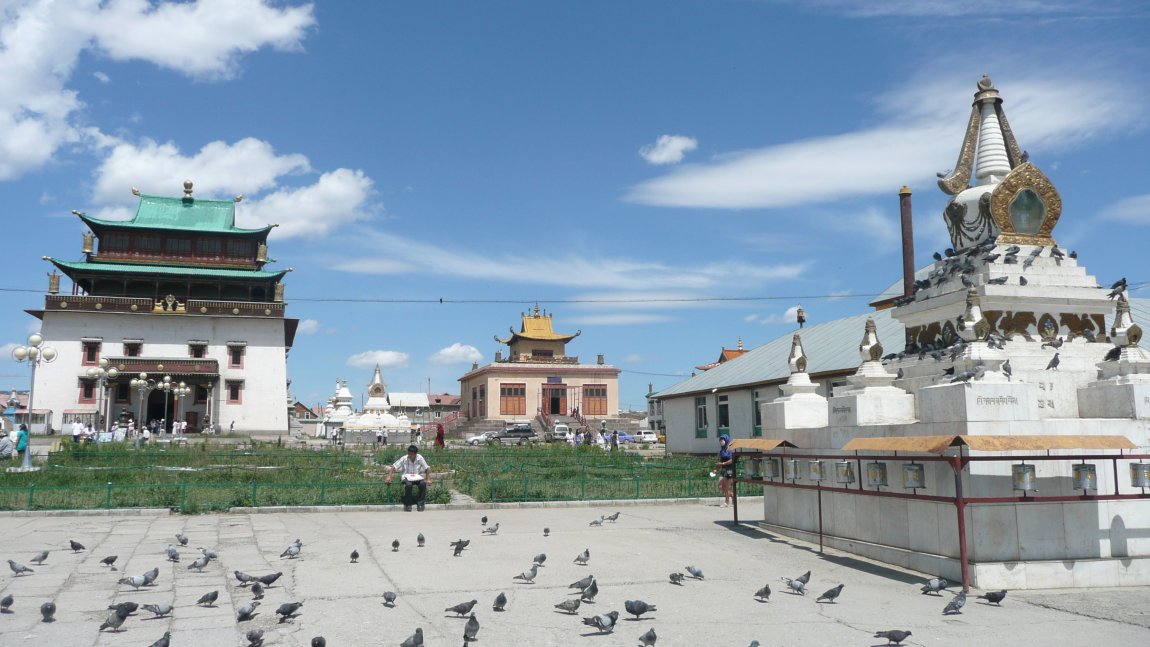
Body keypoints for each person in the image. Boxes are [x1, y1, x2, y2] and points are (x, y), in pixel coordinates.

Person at [386, 444, 431, 511]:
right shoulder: (404, 458)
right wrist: (389, 477)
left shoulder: (420, 458)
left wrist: (428, 479)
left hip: (416, 477)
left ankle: (420, 503)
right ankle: (408, 504)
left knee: (423, 484)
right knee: (408, 485)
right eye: (408, 453)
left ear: (415, 454)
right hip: (406, 477)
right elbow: (394, 467)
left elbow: (426, 468)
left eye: (411, 454)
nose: (409, 455)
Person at [716, 434, 735, 507]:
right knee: (720, 487)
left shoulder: (730, 449)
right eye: (720, 440)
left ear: (726, 440)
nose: (721, 441)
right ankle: (733, 495)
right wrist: (716, 469)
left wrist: (723, 463)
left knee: (726, 487)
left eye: (723, 440)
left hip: (729, 469)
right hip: (723, 469)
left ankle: (726, 502)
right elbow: (720, 461)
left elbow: (732, 460)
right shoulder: (722, 450)